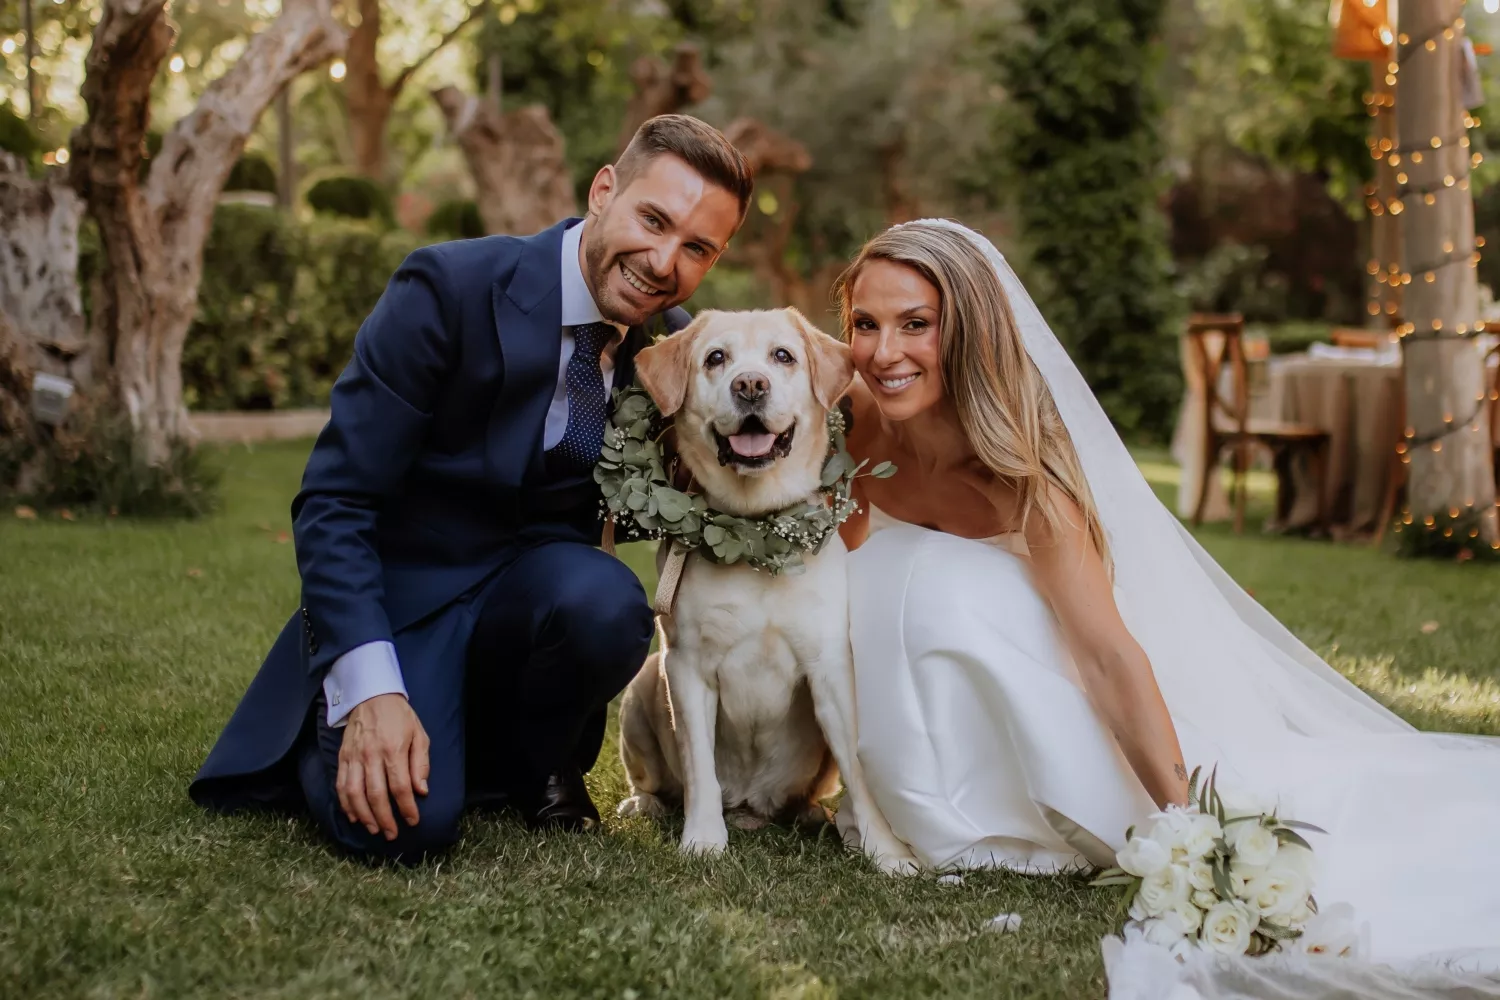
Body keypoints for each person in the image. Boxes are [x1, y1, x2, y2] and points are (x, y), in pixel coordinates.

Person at [833, 219, 1500, 988]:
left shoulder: (1027, 482)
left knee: (956, 592)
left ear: (969, 333)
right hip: (909, 737)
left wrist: (1186, 824)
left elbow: (1108, 655)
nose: (885, 353)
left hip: (1044, 722)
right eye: (866, 324)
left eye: (916, 324)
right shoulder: (844, 423)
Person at [189, 115, 752, 864]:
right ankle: (322, 735)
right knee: (404, 833)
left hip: (535, 600)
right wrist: (372, 691)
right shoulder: (447, 288)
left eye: (696, 248)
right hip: (409, 602)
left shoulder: (674, 352)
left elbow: (696, 478)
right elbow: (336, 502)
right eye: (654, 220)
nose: (662, 260)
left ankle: (526, 760)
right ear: (604, 190)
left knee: (609, 602)